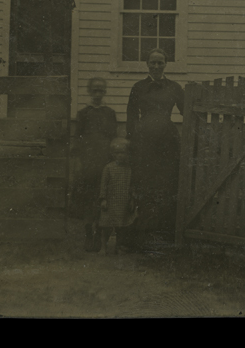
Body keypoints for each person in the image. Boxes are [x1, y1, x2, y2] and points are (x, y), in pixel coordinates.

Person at [125, 49, 185, 247]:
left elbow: (188, 112)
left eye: (160, 63)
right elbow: (131, 118)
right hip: (144, 142)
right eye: (153, 63)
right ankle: (142, 233)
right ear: (147, 64)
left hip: (167, 141)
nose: (157, 67)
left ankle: (164, 233)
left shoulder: (174, 87)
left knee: (167, 183)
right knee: (145, 184)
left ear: (166, 64)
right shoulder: (138, 87)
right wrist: (132, 143)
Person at [72, 76, 118, 252]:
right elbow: (78, 138)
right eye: (95, 90)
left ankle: (99, 233)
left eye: (101, 90)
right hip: (88, 161)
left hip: (104, 161)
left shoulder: (110, 113)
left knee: (102, 195)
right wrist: (78, 160)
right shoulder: (83, 113)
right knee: (87, 197)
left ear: (105, 92)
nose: (98, 93)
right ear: (90, 92)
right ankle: (88, 235)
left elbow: (113, 137)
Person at [98, 138, 135, 255]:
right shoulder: (108, 168)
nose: (120, 156)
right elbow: (103, 185)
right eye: (117, 153)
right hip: (110, 201)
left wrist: (132, 199)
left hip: (123, 201)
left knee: (121, 227)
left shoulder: (129, 169)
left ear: (128, 154)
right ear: (113, 154)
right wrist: (103, 199)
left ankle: (118, 247)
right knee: (106, 226)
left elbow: (132, 186)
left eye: (123, 153)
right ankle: (103, 247)